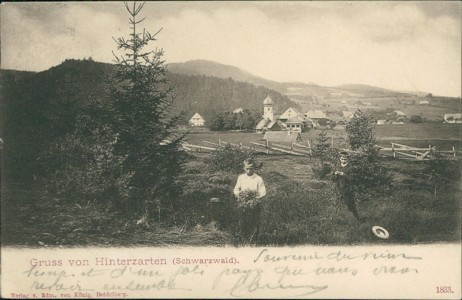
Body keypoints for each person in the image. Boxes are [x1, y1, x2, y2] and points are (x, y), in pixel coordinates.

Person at [233, 158, 266, 241]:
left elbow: (263, 192)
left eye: (251, 168)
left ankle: (254, 240)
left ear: (253, 168)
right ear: (244, 168)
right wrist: (239, 195)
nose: (249, 170)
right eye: (247, 168)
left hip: (254, 204)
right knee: (243, 221)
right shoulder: (241, 178)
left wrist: (255, 198)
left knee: (255, 223)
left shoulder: (258, 179)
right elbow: (236, 189)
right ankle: (244, 239)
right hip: (243, 203)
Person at [333, 151, 361, 221]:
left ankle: (356, 218)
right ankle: (337, 218)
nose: (343, 160)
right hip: (338, 188)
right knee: (338, 203)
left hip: (347, 189)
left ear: (348, 159)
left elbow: (352, 179)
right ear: (339, 159)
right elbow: (333, 179)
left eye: (345, 159)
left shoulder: (350, 168)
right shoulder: (337, 167)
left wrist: (344, 175)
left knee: (349, 203)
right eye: (342, 159)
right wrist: (335, 174)